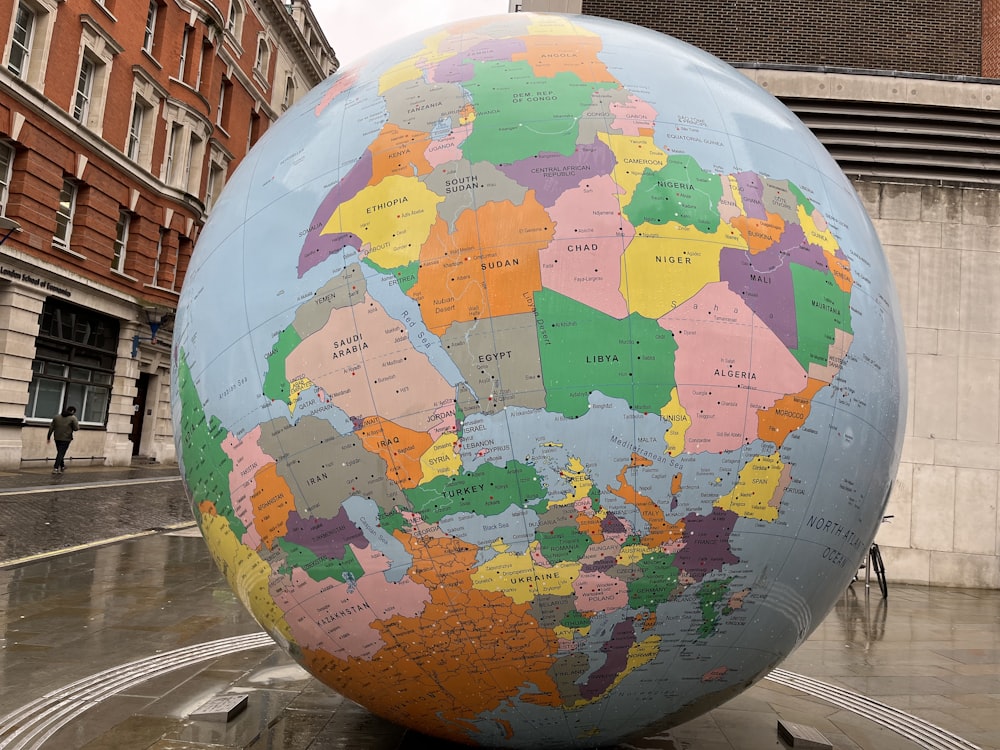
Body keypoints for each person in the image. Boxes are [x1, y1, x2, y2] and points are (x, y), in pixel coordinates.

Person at [47, 405, 79, 473]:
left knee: (60, 452)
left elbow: (51, 428)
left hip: (57, 437)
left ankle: (62, 466)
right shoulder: (73, 418)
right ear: (73, 411)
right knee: (61, 453)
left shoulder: (56, 417)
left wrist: (48, 437)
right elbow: (76, 428)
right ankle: (55, 468)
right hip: (66, 438)